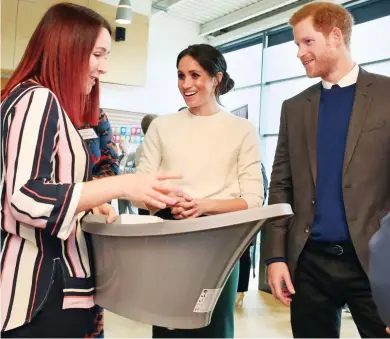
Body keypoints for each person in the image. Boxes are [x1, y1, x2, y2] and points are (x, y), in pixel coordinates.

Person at [0, 3, 181, 338]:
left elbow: (53, 184)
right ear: (68, 47)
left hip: (59, 288)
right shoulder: (37, 99)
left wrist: (88, 198)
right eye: (97, 54)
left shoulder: (46, 102)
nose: (103, 67)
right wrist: (120, 186)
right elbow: (24, 196)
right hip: (41, 293)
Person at [264, 2, 390, 338]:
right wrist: (275, 257)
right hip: (309, 266)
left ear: (335, 36)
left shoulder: (387, 95)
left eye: (307, 42)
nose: (299, 53)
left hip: (375, 262)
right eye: (296, 45)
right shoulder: (294, 108)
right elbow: (280, 186)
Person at [137, 43, 264, 338]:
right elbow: (139, 187)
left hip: (220, 245)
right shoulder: (161, 126)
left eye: (195, 75)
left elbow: (253, 200)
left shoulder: (241, 129)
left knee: (215, 327)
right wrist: (164, 201)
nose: (186, 84)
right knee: (167, 327)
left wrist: (203, 205)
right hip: (169, 240)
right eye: (181, 76)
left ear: (216, 78)